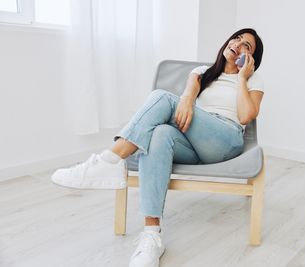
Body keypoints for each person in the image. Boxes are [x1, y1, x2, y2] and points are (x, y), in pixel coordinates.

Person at [51, 28, 264, 267]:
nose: (238, 44)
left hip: (225, 141)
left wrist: (243, 78)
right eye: (237, 38)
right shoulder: (202, 73)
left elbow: (246, 116)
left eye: (247, 45)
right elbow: (188, 95)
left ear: (252, 58)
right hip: (194, 141)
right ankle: (152, 237)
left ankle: (110, 160)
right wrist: (185, 101)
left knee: (162, 97)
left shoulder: (253, 81)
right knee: (160, 134)